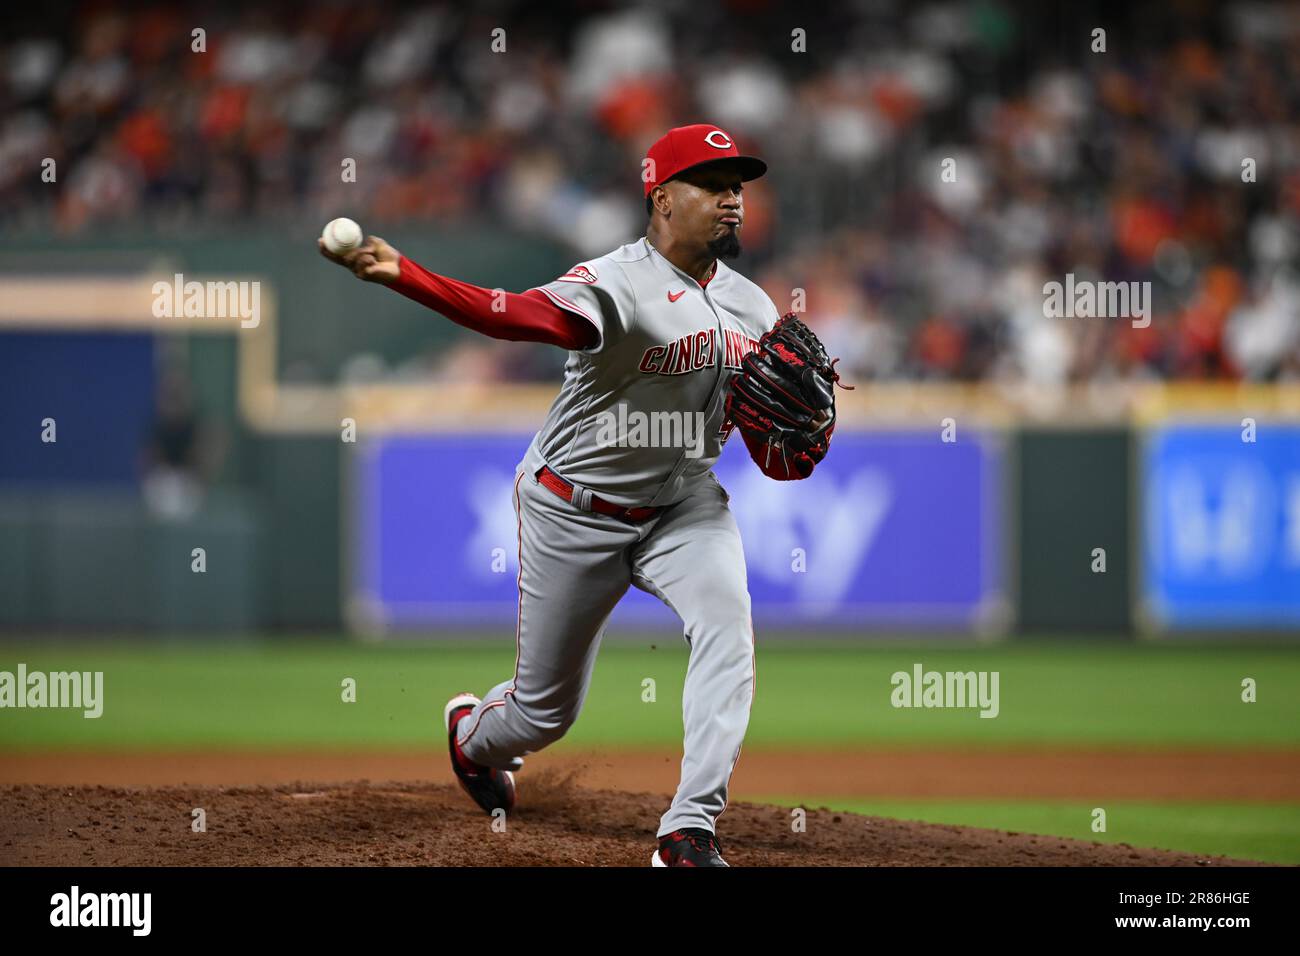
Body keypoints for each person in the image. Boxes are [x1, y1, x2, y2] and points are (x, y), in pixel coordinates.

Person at [320, 124, 833, 866]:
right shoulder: (613, 283)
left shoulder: (756, 309)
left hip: (684, 504)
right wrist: (409, 275)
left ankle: (688, 830)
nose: (732, 201)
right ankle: (472, 736)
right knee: (543, 712)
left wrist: (793, 444)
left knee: (729, 629)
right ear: (661, 199)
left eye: (737, 188)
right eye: (713, 186)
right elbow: (515, 314)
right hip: (574, 507)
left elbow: (769, 447)